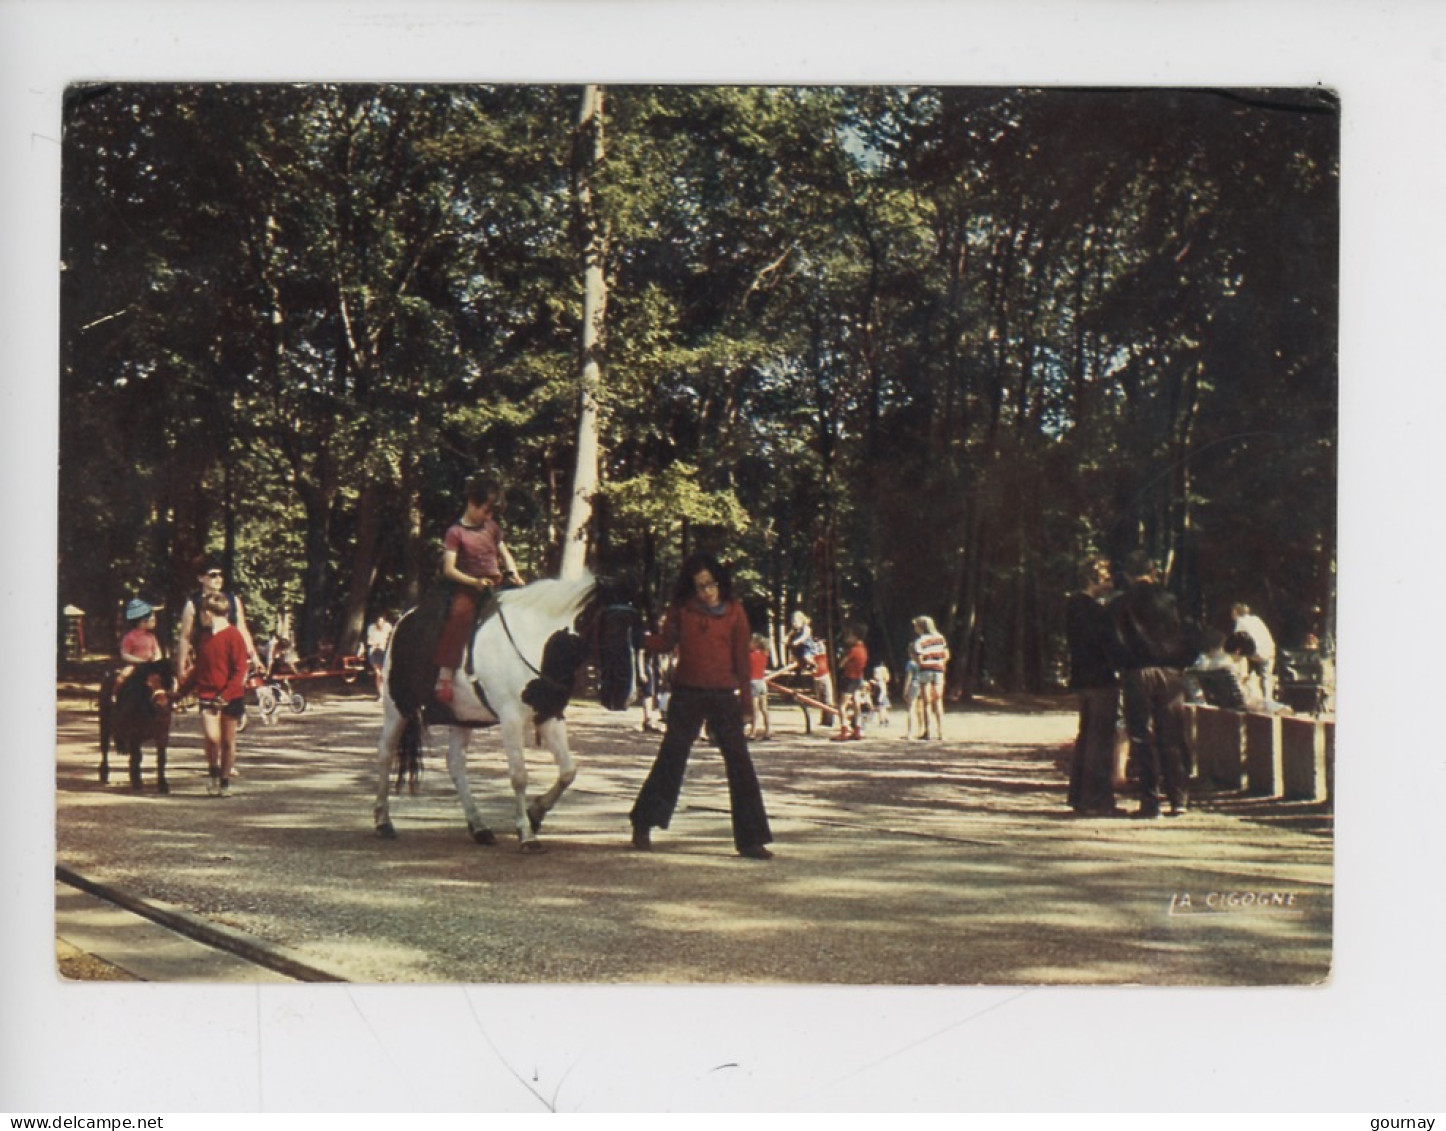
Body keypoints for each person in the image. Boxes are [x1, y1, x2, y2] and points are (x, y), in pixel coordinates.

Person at [629, 552, 774, 860]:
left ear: (720, 583)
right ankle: (643, 822)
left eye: (711, 584)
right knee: (672, 757)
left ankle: (751, 840)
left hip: (724, 697)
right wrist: (639, 638)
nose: (707, 591)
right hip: (687, 693)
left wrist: (747, 705)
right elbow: (666, 642)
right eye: (700, 587)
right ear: (691, 589)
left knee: (740, 764)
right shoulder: (682, 610)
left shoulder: (735, 612)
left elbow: (742, 662)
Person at [1110, 550, 1197, 818]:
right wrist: (1183, 662)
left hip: (1138, 671)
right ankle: (1179, 799)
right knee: (1171, 734)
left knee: (1141, 735)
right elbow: (1192, 632)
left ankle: (1150, 802)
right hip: (1171, 672)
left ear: (1127, 575)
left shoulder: (1121, 603)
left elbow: (1114, 640)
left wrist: (1123, 664)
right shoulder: (1172, 600)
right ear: (1153, 572)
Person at [433, 473, 522, 704]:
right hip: (469, 586)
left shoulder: (491, 526)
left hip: (496, 583)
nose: (489, 516)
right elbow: (449, 569)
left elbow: (504, 553)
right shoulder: (455, 532)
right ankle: (445, 674)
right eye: (485, 510)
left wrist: (513, 572)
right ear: (472, 503)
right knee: (459, 616)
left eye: (492, 512)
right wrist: (474, 582)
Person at [1065, 558, 1122, 816]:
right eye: (1105, 576)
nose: (1109, 582)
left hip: (1083, 679)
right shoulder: (1092, 610)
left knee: (1087, 737)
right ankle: (1095, 800)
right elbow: (1105, 644)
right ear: (1091, 579)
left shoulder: (1074, 605)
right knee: (1099, 740)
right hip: (1100, 679)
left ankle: (1080, 796)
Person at [180, 591, 250, 796]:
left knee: (228, 741)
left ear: (208, 614)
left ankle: (225, 781)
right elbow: (198, 669)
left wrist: (226, 695)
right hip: (208, 695)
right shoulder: (203, 638)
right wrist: (180, 693)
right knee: (212, 738)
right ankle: (213, 773)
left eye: (202, 613)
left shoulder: (234, 636)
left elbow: (240, 671)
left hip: (231, 696)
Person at [176, 558, 259, 683]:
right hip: (207, 656)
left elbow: (242, 630)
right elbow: (185, 637)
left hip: (232, 655)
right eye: (213, 575)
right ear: (201, 578)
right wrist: (181, 667)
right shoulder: (193, 603)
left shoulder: (233, 600)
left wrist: (255, 658)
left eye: (221, 575)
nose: (218, 579)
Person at [908, 616, 950, 740]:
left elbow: (919, 659)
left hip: (925, 670)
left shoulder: (919, 641)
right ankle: (941, 731)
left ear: (921, 627)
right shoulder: (940, 638)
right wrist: (941, 663)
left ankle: (928, 731)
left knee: (926, 702)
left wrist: (918, 661)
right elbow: (946, 655)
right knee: (938, 700)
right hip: (939, 670)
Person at [1231, 603, 1277, 704]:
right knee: (1266, 676)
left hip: (1255, 652)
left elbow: (1238, 640)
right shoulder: (1256, 619)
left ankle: (1240, 690)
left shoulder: (1240, 622)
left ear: (1235, 613)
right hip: (1270, 650)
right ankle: (1268, 698)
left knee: (1238, 660)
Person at [115, 598, 161, 687]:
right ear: (143, 621)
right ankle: (115, 694)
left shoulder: (151, 637)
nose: (155, 621)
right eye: (153, 619)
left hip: (151, 665)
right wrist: (140, 661)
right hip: (135, 665)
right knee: (123, 675)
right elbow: (124, 654)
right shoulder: (129, 637)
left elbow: (157, 650)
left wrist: (156, 659)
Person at [834, 629, 869, 740]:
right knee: (856, 704)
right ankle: (858, 729)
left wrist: (840, 661)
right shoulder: (863, 649)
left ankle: (844, 729)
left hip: (850, 678)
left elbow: (842, 664)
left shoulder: (852, 650)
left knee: (842, 705)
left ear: (855, 637)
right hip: (859, 678)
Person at [747, 633, 772, 740]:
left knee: (754, 709)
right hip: (762, 682)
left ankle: (753, 732)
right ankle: (768, 730)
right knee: (764, 709)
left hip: (753, 683)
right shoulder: (764, 655)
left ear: (755, 644)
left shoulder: (750, 656)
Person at [365, 612, 394, 699]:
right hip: (374, 651)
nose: (380, 623)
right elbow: (369, 641)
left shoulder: (388, 627)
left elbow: (391, 636)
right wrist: (376, 644)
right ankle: (380, 694)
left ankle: (385, 693)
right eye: (378, 621)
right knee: (378, 673)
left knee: (384, 674)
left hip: (384, 652)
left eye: (381, 621)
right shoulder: (371, 628)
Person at [871, 663, 893, 728]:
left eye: (876, 674)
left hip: (881, 698)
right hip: (881, 697)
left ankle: (881, 721)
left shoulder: (881, 682)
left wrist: (880, 698)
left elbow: (883, 690)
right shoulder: (879, 682)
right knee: (884, 710)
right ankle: (887, 720)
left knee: (881, 710)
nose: (875, 675)